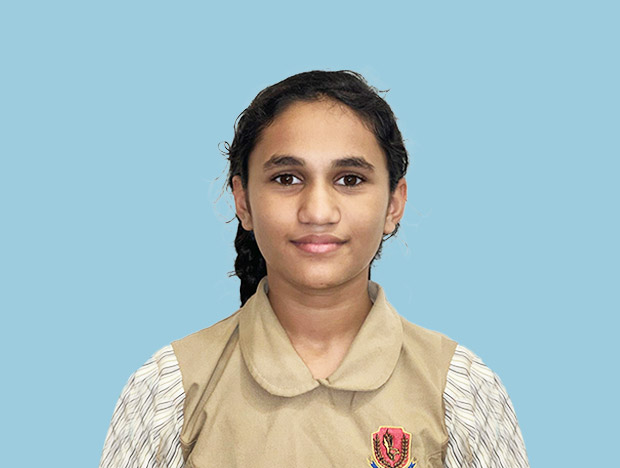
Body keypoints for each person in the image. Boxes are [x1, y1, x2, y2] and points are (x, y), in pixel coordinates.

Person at [99, 70, 530, 468]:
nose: (318, 211)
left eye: (350, 179)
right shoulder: (168, 388)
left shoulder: (461, 388)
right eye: (287, 178)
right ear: (243, 201)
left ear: (394, 204)